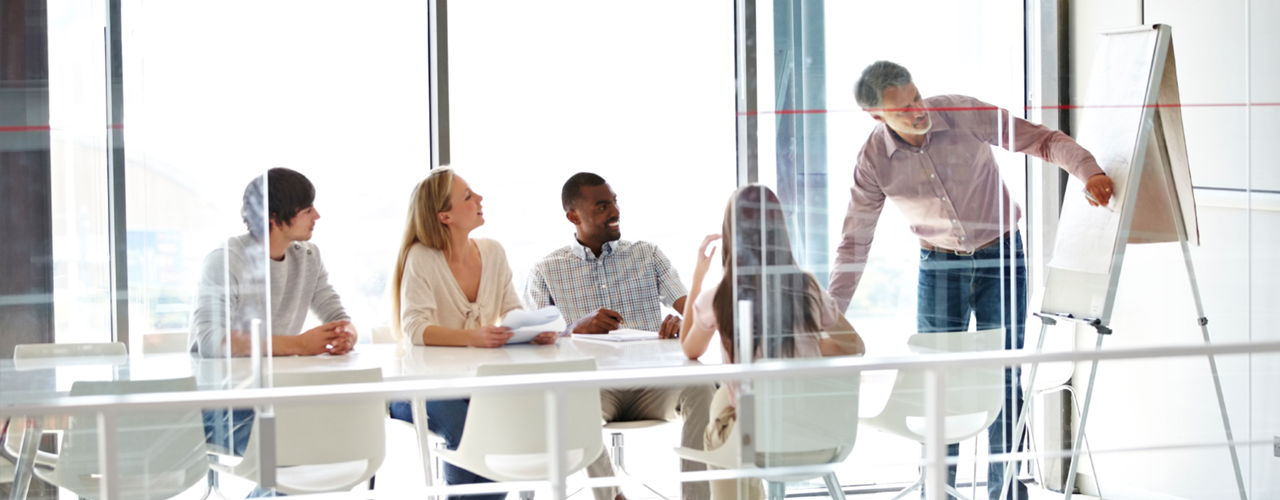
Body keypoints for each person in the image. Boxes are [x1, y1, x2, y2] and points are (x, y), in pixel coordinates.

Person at [829, 61, 1115, 500]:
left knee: (1003, 378)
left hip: (1002, 257)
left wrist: (1088, 171)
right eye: (902, 109)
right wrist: (831, 316)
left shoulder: (962, 113)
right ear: (876, 116)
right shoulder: (873, 161)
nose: (918, 111)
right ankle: (938, 494)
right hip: (938, 267)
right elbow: (854, 243)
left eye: (916, 97)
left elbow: (1042, 140)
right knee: (937, 386)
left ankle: (1007, 493)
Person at [523, 172, 714, 500]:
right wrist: (573, 329)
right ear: (573, 217)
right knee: (566, 403)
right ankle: (613, 497)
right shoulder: (546, 270)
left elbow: (695, 312)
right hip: (593, 390)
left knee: (703, 387)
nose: (615, 212)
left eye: (614, 202)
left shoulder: (647, 254)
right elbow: (532, 342)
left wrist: (681, 325)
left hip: (654, 384)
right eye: (602, 206)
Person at [681, 185, 865, 500]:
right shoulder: (807, 288)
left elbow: (690, 349)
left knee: (720, 419)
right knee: (724, 399)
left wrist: (698, 276)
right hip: (821, 436)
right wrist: (801, 345)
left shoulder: (721, 296)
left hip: (759, 442)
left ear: (732, 236)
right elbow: (854, 347)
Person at [387, 167, 556, 500]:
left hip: (476, 385)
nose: (479, 198)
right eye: (467, 196)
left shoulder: (493, 252)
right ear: (445, 216)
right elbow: (415, 329)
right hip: (418, 389)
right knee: (470, 432)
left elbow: (511, 310)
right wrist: (474, 337)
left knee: (502, 431)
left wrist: (530, 331)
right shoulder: (421, 257)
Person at [190, 168, 357, 496]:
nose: (317, 216)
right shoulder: (225, 260)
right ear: (275, 219)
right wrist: (299, 345)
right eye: (307, 209)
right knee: (295, 454)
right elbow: (211, 341)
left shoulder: (308, 257)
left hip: (277, 399)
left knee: (327, 447)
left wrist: (346, 334)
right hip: (221, 406)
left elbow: (339, 316)